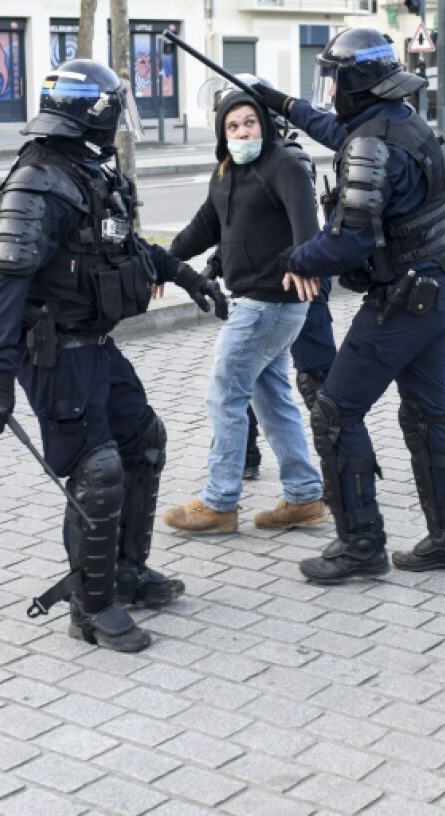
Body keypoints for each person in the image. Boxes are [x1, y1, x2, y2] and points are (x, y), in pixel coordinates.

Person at [0, 59, 226, 651]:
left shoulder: (86, 171)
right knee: (98, 467)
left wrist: (186, 276)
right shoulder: (38, 181)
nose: (119, 119)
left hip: (95, 344)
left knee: (144, 441)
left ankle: (126, 574)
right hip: (54, 351)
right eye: (115, 106)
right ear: (94, 111)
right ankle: (91, 608)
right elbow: (6, 279)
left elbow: (124, 245)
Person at [250, 28, 445, 584]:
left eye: (333, 79)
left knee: (334, 412)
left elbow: (349, 241)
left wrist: (296, 260)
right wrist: (280, 101)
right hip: (438, 293)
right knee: (427, 414)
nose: (330, 91)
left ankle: (360, 546)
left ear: (354, 83)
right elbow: (338, 131)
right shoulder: (401, 119)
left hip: (400, 304)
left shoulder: (372, 144)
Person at [160, 83, 328, 536]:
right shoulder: (226, 171)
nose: (242, 131)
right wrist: (164, 264)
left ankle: (219, 502)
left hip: (270, 303)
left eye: (249, 121)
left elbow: (306, 225)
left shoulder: (284, 163)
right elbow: (204, 226)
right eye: (232, 126)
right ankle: (304, 495)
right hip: (255, 304)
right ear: (223, 133)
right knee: (270, 398)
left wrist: (302, 259)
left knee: (225, 395)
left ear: (264, 123)